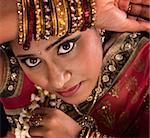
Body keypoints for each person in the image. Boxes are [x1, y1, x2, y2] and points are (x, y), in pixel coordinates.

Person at [0, 0, 149, 138]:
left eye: (66, 47)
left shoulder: (145, 67)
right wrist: (80, 10)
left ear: (99, 26)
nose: (58, 81)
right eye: (32, 61)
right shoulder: (15, 70)